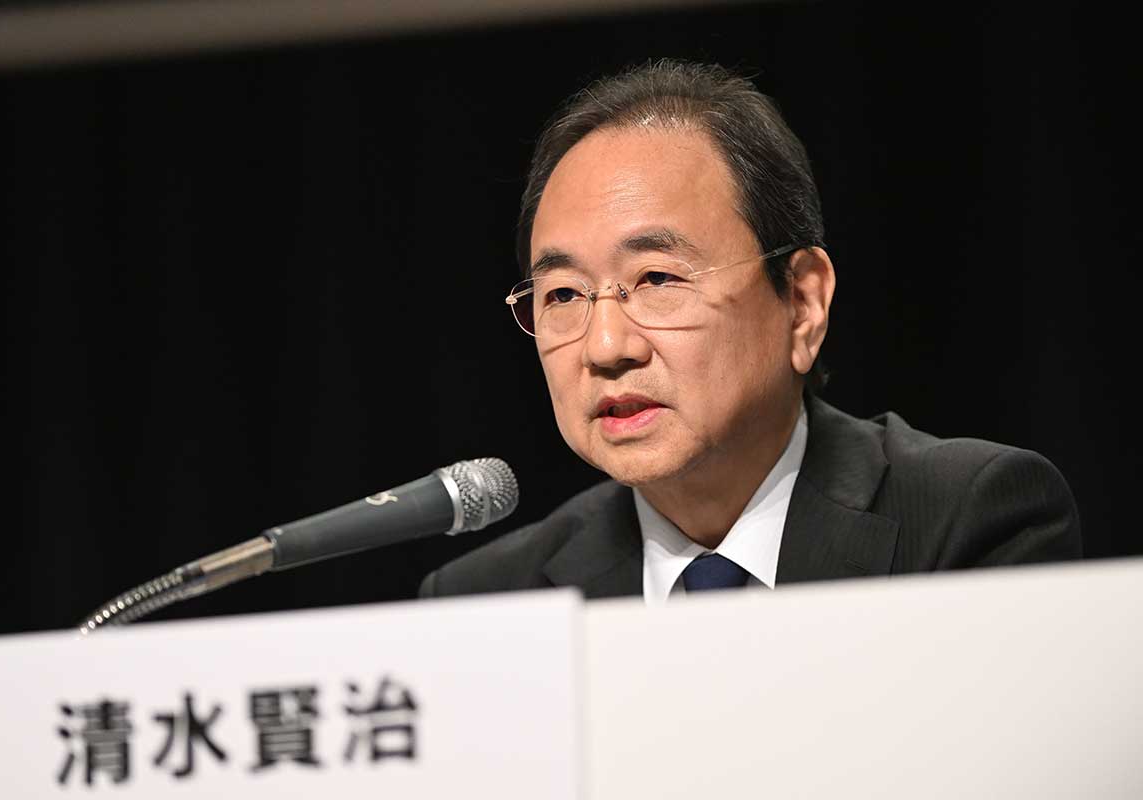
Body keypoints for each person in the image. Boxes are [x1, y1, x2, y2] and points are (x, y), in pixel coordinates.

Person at [419, 60, 1081, 603]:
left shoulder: (969, 522)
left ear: (802, 302)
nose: (606, 347)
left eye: (656, 279)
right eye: (563, 294)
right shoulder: (487, 601)